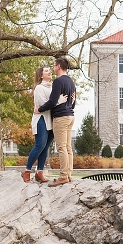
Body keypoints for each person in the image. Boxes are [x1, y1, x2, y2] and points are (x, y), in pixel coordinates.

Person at [36, 56, 76, 186]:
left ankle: (63, 176)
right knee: (68, 147)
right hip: (70, 116)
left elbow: (53, 101)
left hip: (61, 117)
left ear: (58, 66)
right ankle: (68, 175)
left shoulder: (58, 82)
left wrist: (40, 109)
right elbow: (73, 103)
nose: (53, 68)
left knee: (61, 147)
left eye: (54, 66)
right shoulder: (71, 82)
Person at [22, 66, 66, 183]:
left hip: (51, 120)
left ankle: (39, 172)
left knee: (46, 147)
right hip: (41, 119)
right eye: (46, 71)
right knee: (40, 145)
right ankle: (26, 170)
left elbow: (52, 103)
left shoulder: (53, 87)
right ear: (41, 75)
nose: (49, 72)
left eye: (49, 70)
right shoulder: (39, 88)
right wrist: (59, 100)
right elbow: (43, 105)